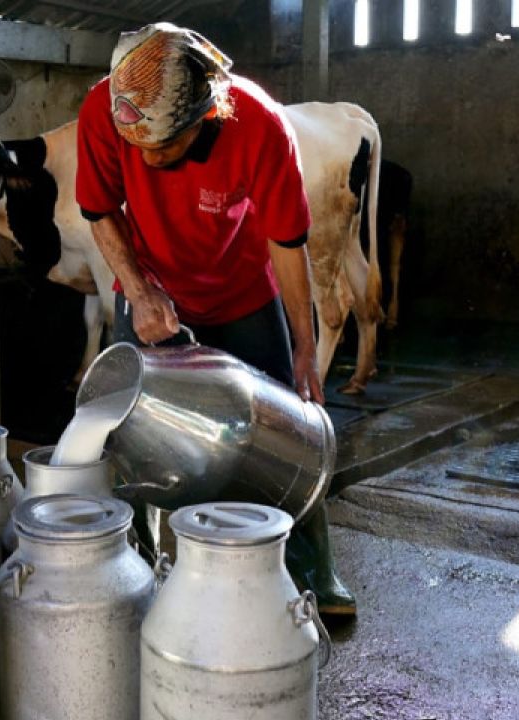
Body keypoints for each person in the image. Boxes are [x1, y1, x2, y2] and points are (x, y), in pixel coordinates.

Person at [75, 22, 356, 615]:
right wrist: (143, 291)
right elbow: (100, 209)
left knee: (287, 434)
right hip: (152, 298)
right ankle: (140, 567)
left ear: (206, 114)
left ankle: (314, 569)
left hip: (241, 295)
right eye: (138, 147)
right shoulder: (107, 109)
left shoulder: (260, 126)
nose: (146, 158)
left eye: (162, 146)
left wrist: (305, 346)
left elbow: (287, 241)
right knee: (133, 439)